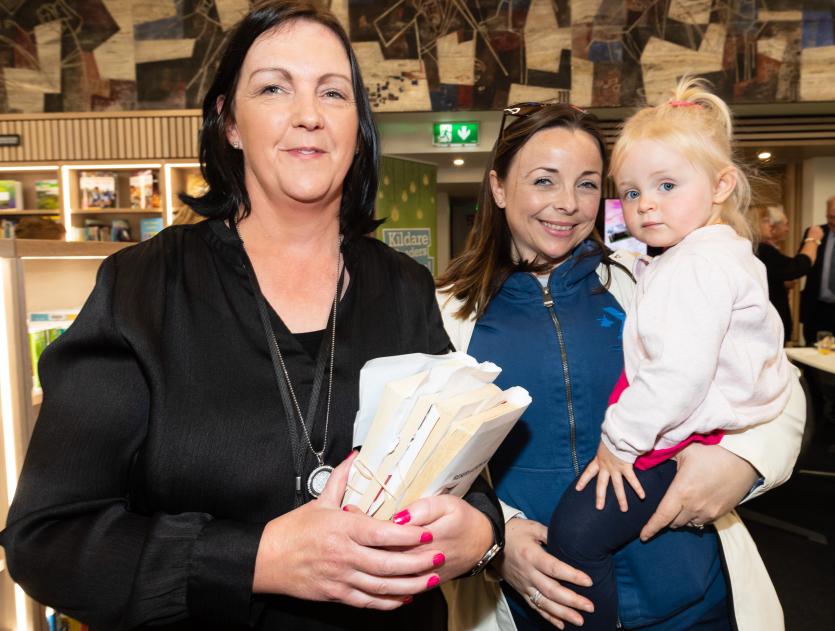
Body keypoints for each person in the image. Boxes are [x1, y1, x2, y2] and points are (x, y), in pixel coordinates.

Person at [0, 3, 502, 629]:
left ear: (357, 125)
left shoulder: (403, 285)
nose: (309, 116)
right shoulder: (143, 287)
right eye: (273, 88)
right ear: (229, 123)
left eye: (333, 92)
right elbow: (49, 540)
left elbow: (461, 465)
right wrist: (256, 558)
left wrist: (480, 531)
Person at [436, 100, 804, 631]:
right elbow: (429, 463)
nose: (567, 204)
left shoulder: (649, 278)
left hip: (694, 597)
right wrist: (496, 537)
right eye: (544, 180)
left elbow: (776, 381)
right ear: (498, 186)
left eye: (587, 184)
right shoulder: (448, 312)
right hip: (543, 606)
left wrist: (743, 463)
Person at [545, 77, 797, 631]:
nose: (647, 206)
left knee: (575, 534)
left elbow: (679, 373)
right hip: (692, 429)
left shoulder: (697, 266)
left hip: (682, 437)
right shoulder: (697, 255)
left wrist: (619, 443)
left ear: (720, 185)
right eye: (632, 193)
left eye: (666, 186)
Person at [755, 204, 821, 341]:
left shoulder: (761, 249)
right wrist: (813, 239)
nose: (787, 229)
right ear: (771, 227)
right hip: (767, 329)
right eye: (785, 224)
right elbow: (796, 268)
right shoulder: (763, 249)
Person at [800, 195, 835, 344]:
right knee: (812, 357)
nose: (832, 222)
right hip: (816, 310)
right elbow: (802, 264)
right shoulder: (815, 233)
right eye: (830, 217)